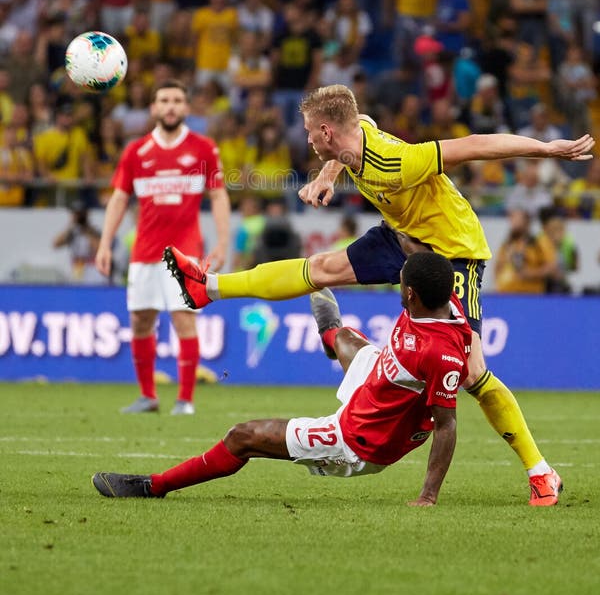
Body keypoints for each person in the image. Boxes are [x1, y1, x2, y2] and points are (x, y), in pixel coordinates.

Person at [164, 85, 594, 503]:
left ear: (327, 132)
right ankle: (209, 288)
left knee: (472, 373)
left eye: (312, 132)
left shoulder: (397, 160)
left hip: (452, 253)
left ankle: (541, 472)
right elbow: (357, 128)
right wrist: (328, 176)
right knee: (322, 269)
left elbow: (476, 144)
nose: (309, 140)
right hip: (403, 235)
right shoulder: (355, 133)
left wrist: (548, 149)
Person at [92, 252, 476, 506]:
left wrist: (428, 496)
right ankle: (330, 335)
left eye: (400, 285)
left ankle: (153, 486)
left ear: (410, 293)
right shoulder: (444, 301)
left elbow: (446, 425)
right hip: (380, 381)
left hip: (358, 438)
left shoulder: (435, 352)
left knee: (243, 437)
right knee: (345, 337)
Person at [95, 79, 231, 416]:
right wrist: (105, 243)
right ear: (154, 108)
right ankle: (148, 397)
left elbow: (218, 196)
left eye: (177, 100)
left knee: (184, 322)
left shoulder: (203, 148)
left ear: (186, 107)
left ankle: (185, 401)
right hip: (144, 253)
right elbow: (119, 199)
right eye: (164, 100)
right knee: (140, 321)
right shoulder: (136, 151)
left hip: (184, 253)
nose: (170, 106)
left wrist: (223, 242)